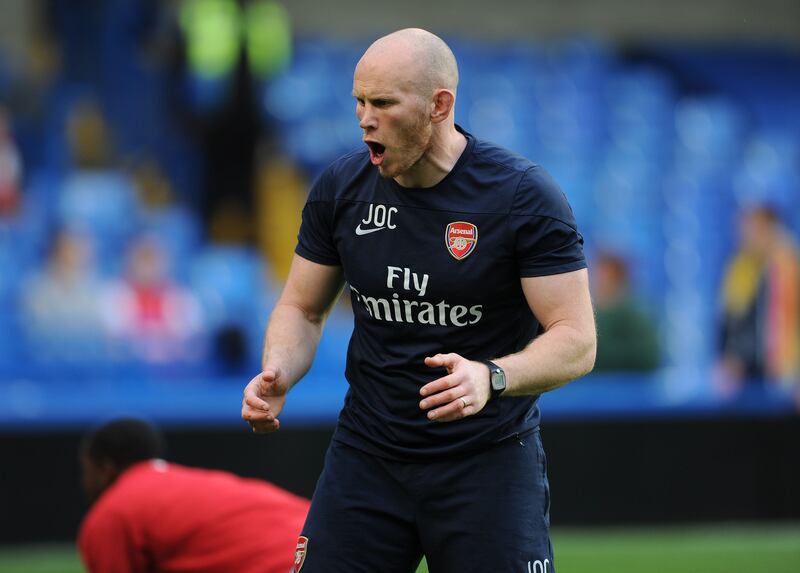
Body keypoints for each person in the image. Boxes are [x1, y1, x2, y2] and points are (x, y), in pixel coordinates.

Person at [241, 28, 596, 572]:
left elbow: (576, 340)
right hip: (368, 456)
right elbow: (302, 308)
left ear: (439, 105)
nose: (365, 118)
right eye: (359, 101)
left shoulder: (523, 197)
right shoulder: (340, 189)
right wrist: (279, 370)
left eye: (383, 103)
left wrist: (490, 377)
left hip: (488, 461)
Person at [78, 418, 310, 573]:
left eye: (86, 470)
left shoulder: (113, 511)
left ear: (104, 468)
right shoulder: (187, 482)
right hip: (330, 547)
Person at [717, 204, 800, 391]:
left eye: (754, 229)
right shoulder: (740, 269)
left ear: (771, 229)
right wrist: (729, 360)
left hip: (789, 375)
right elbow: (730, 322)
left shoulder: (790, 267)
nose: (746, 236)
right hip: (749, 373)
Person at [591, 250, 660, 372]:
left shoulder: (635, 315)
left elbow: (648, 356)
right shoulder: (592, 313)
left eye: (606, 275)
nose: (600, 281)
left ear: (618, 278)